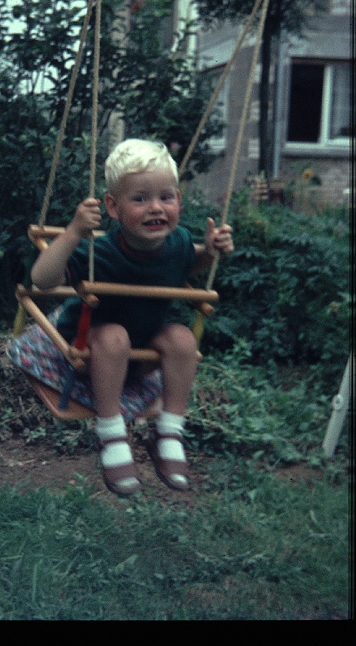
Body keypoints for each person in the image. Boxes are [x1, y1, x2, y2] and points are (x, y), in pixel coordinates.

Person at [26, 139, 234, 496]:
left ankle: (169, 432)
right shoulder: (100, 252)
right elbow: (41, 280)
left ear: (178, 202)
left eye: (165, 198)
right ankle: (111, 433)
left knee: (182, 338)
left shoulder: (179, 242)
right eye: (140, 199)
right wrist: (74, 232)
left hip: (141, 350)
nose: (155, 208)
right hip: (90, 348)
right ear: (113, 207)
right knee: (114, 336)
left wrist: (211, 252)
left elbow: (189, 262)